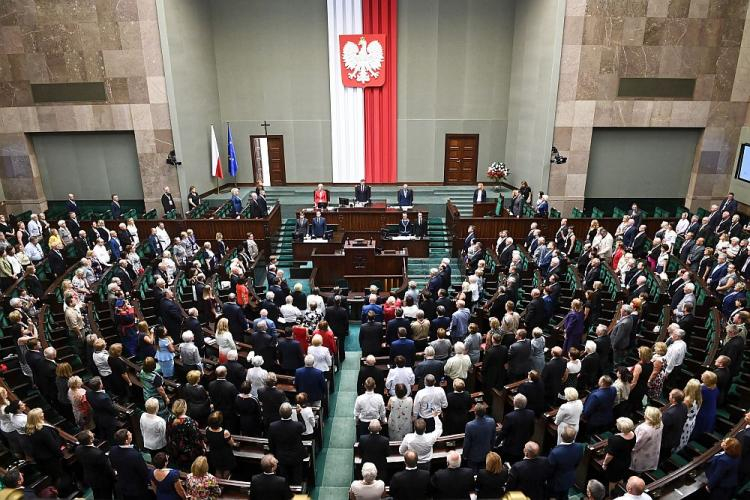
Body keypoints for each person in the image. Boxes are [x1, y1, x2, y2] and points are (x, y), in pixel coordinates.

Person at [268, 403, 306, 484]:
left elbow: (271, 443)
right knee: (297, 478)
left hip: (281, 457)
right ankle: (297, 494)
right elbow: (304, 428)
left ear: (279, 413)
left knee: (284, 479)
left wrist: (274, 455)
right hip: (296, 457)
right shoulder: (297, 425)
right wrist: (299, 414)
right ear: (291, 413)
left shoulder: (273, 426)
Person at [109, 429, 150, 500]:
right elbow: (144, 472)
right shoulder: (135, 455)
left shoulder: (112, 450)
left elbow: (113, 465)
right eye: (129, 434)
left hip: (123, 484)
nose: (131, 433)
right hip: (137, 488)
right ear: (126, 441)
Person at [75, 430, 116, 500]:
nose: (93, 434)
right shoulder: (98, 454)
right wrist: (114, 476)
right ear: (91, 440)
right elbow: (108, 469)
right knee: (106, 496)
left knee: (97, 494)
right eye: (92, 434)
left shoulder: (78, 449)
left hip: (90, 477)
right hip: (102, 480)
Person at [167, 399, 206, 471]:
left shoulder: (170, 418)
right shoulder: (190, 422)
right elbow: (196, 440)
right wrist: (202, 449)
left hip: (174, 449)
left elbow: (168, 433)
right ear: (185, 408)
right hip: (187, 454)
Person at [548, 425, 585, 500]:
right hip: (570, 478)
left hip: (556, 482)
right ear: (574, 437)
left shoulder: (555, 452)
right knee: (565, 496)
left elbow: (549, 470)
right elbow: (577, 463)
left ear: (561, 436)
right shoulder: (580, 447)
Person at [496, 393, 535, 465]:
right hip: (524, 447)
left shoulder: (509, 417)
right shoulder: (531, 413)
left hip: (510, 449)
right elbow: (531, 430)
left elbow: (504, 433)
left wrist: (496, 443)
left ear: (514, 403)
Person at [462, 403, 496, 473]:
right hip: (487, 454)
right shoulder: (492, 421)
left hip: (473, 457)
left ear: (475, 412)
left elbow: (467, 443)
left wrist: (464, 455)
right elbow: (493, 439)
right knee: (484, 473)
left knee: (473, 475)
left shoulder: (469, 425)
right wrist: (490, 450)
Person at [630, 406, 663, 472]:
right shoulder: (660, 423)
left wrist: (629, 448)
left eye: (646, 412)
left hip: (642, 454)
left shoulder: (644, 429)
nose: (644, 412)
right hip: (652, 451)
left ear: (648, 416)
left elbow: (637, 444)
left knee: (638, 470)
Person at [204, 411, 236, 479]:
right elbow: (232, 443)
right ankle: (224, 485)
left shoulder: (207, 429)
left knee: (217, 470)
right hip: (225, 455)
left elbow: (207, 440)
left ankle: (219, 485)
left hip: (214, 453)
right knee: (226, 471)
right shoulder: (225, 432)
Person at [693, 370, 719, 437]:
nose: (701, 374)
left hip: (702, 413)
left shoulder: (702, 390)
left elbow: (695, 400)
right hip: (711, 411)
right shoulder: (715, 387)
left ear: (706, 380)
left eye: (703, 375)